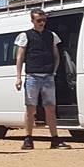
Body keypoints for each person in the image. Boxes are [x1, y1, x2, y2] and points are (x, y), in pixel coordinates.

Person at [15, 8, 70, 150]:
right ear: (32, 21)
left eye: (44, 20)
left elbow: (56, 55)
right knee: (30, 109)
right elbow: (20, 57)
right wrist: (18, 77)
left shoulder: (51, 35)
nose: (42, 23)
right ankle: (28, 139)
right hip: (32, 76)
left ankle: (55, 138)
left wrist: (54, 71)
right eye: (39, 20)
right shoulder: (25, 35)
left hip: (48, 76)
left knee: (50, 108)